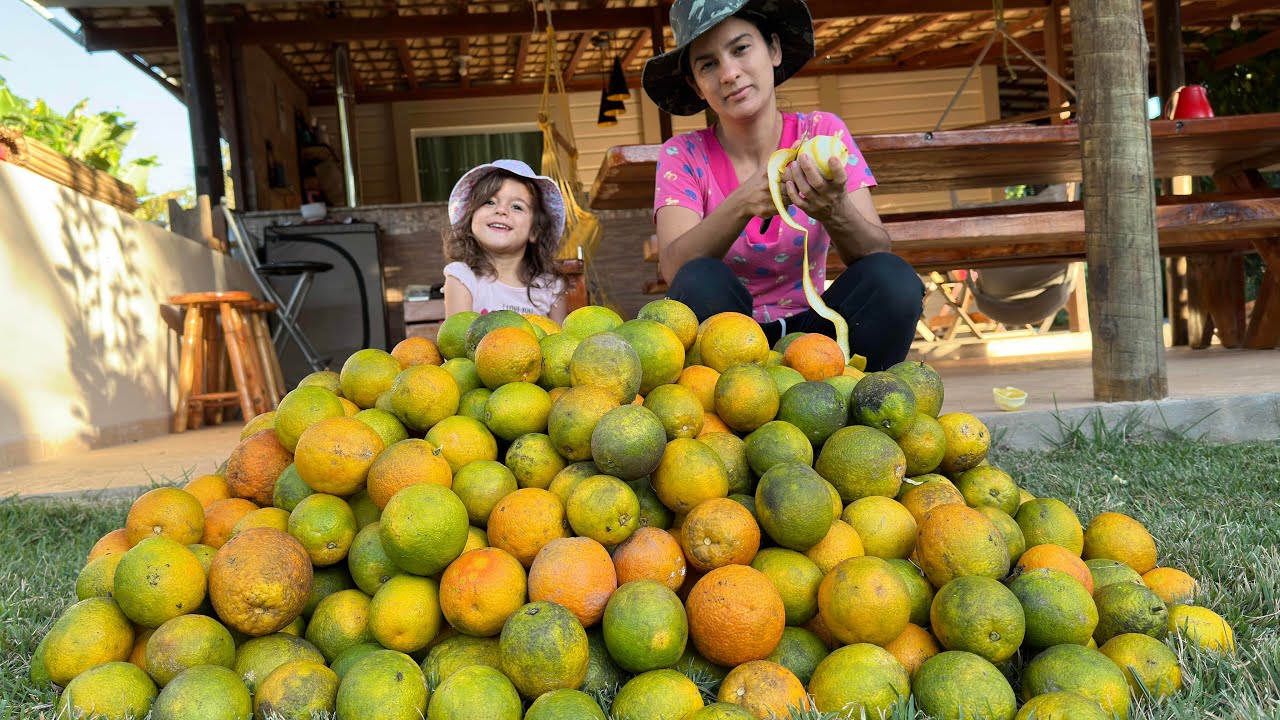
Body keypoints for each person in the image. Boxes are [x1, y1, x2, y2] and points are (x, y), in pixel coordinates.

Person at [642, 0, 925, 371]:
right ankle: (730, 411)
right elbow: (674, 269)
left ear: (773, 49)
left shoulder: (822, 133)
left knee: (892, 279)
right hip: (729, 349)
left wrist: (834, 209)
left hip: (816, 341)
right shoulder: (684, 154)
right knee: (699, 277)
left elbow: (876, 251)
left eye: (741, 49)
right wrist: (741, 203)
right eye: (708, 64)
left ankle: (865, 412)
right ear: (696, 85)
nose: (729, 73)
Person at [442, 159, 569, 322]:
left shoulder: (551, 287)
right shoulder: (463, 277)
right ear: (471, 218)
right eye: (489, 202)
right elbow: (457, 341)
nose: (501, 210)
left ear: (534, 231)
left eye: (517, 206)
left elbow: (560, 344)